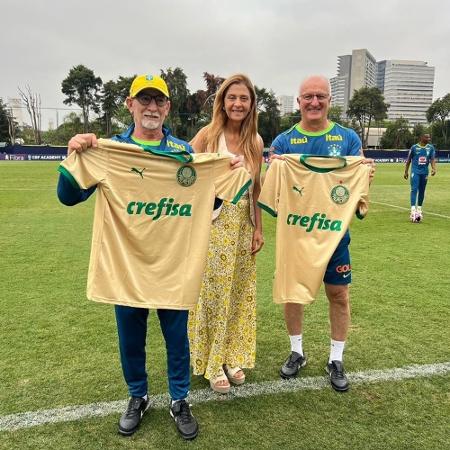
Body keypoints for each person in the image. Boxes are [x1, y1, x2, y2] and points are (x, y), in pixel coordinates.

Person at [58, 74, 208, 440]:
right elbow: (68, 196)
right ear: (130, 105)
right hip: (126, 265)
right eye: (145, 100)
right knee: (130, 338)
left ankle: (179, 399)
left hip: (173, 264)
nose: (152, 107)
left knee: (177, 338)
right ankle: (137, 396)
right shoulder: (110, 150)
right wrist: (74, 152)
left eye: (159, 101)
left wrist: (226, 171)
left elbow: (212, 200)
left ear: (168, 107)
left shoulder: (185, 154)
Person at [269, 75, 375, 392]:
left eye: (320, 96)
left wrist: (365, 175)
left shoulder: (348, 139)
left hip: (334, 237)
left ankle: (336, 358)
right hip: (296, 236)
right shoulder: (283, 143)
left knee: (339, 295)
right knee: (292, 292)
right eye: (308, 97)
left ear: (329, 100)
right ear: (299, 102)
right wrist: (273, 167)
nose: (314, 102)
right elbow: (273, 194)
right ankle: (297, 352)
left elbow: (357, 192)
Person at [188, 74, 264, 394]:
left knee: (238, 292)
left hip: (244, 223)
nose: (237, 103)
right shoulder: (208, 135)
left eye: (243, 98)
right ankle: (212, 360)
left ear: (251, 104)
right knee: (215, 292)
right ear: (222, 101)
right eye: (232, 97)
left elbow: (257, 189)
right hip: (215, 223)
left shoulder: (256, 142)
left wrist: (258, 228)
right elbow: (186, 172)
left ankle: (232, 353)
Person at [404, 133, 436, 222]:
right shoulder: (414, 147)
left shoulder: (431, 148)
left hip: (425, 173)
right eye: (426, 137)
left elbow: (432, 159)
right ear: (421, 137)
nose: (428, 138)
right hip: (415, 172)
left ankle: (419, 210)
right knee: (414, 189)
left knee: (422, 190)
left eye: (429, 137)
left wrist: (434, 168)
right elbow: (408, 160)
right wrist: (406, 171)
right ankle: (413, 210)